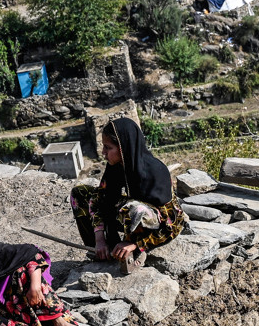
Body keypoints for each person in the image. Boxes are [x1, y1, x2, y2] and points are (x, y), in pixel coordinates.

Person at [70, 117, 186, 273]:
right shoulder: (116, 167)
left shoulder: (155, 173)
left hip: (154, 224)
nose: (103, 153)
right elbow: (99, 198)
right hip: (130, 219)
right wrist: (100, 239)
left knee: (133, 209)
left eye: (108, 148)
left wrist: (136, 244)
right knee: (79, 193)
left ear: (124, 147)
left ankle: (133, 253)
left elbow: (174, 225)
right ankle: (101, 252)